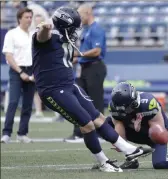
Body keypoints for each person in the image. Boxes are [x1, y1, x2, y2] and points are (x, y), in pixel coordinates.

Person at [31, 7, 153, 172]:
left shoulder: (64, 37)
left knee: (98, 118)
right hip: (53, 90)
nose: (75, 31)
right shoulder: (48, 35)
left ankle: (130, 150)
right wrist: (44, 27)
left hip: (69, 84)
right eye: (73, 27)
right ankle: (103, 162)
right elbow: (42, 37)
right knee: (87, 124)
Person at [101, 82, 168, 169]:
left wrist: (140, 127)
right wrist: (119, 143)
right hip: (133, 129)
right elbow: (120, 131)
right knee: (105, 125)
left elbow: (159, 133)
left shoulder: (148, 103)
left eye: (126, 107)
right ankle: (132, 160)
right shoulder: (114, 107)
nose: (124, 111)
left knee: (161, 164)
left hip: (156, 133)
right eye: (121, 108)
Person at [66, 3, 107, 140]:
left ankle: (102, 132)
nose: (78, 17)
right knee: (78, 100)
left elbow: (96, 51)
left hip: (94, 68)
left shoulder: (96, 29)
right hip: (84, 68)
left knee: (96, 101)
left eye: (80, 14)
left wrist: (77, 55)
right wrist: (74, 60)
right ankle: (78, 132)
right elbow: (84, 53)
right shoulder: (87, 30)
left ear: (88, 12)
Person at [1, 8, 35, 143]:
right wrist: (21, 72)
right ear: (19, 19)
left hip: (32, 69)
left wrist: (35, 72)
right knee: (13, 102)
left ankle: (22, 133)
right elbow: (8, 56)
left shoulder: (34, 35)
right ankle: (6, 133)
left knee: (27, 104)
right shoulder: (12, 34)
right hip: (17, 70)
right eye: (27, 17)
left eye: (31, 17)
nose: (29, 20)